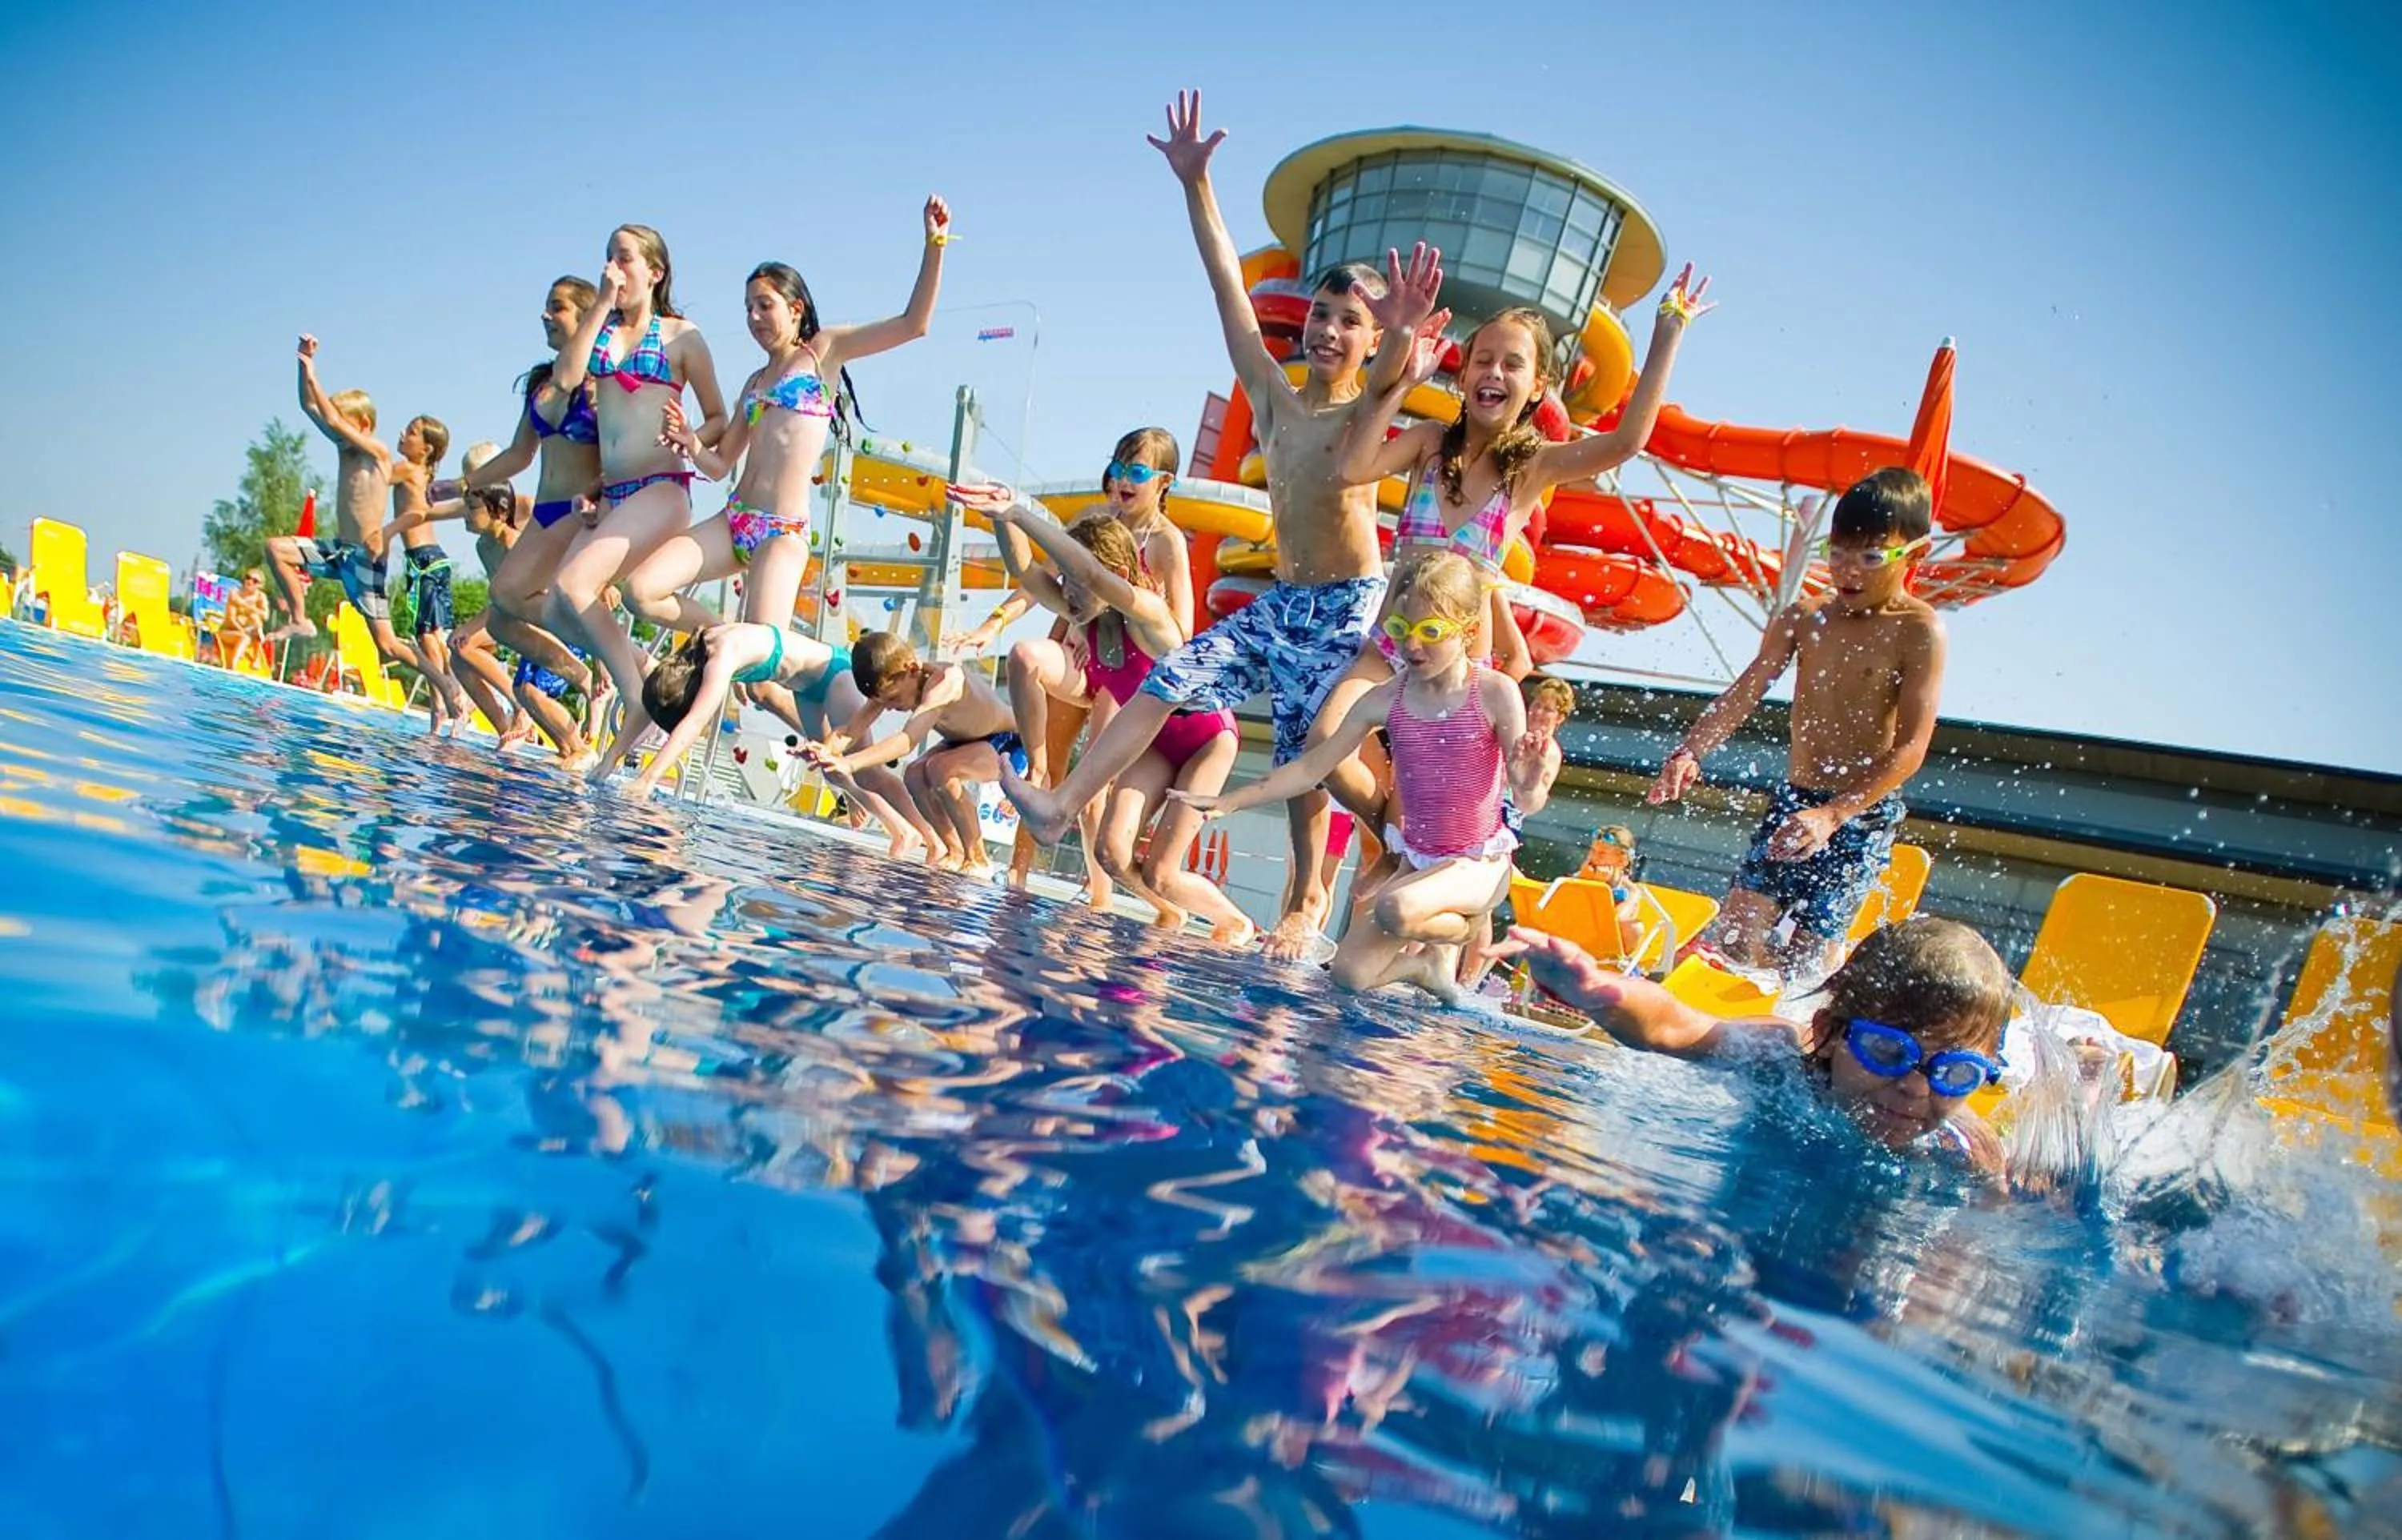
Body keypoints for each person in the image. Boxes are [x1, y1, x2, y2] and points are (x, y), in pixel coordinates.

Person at [1007, 92, 1418, 960]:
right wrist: (1197, 185)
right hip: (1285, 597)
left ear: (1373, 339)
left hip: (1348, 605)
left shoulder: (1366, 415)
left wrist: (1405, 333)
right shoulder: (1271, 398)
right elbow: (1228, 287)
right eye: (1321, 313)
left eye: (1352, 322)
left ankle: (1321, 888)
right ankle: (1059, 804)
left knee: (1316, 749)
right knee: (1172, 671)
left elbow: (1390, 374)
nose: (1330, 330)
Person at [1175, 553, 1552, 1000]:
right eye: (1400, 630)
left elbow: (1528, 802)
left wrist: (1531, 780)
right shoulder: (1386, 698)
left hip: (1479, 864)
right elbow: (1312, 767)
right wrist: (1229, 801)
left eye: (1431, 632)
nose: (1413, 646)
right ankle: (1423, 967)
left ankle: (1457, 933)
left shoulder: (1494, 692)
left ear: (1469, 630)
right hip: (1418, 863)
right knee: (1349, 975)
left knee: (1393, 906)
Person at [1649, 467, 1946, 973]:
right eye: (1837, 553)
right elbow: (1745, 693)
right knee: (1736, 936)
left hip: (1859, 815)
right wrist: (1691, 750)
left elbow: (1911, 749)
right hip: (1795, 799)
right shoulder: (1806, 618)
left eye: (1871, 557)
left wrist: (1834, 815)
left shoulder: (1919, 631)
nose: (1848, 571)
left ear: (1915, 554)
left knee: (1805, 961)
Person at [632, 199, 951, 637]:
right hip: (734, 520)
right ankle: (721, 634)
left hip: (781, 532)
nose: (754, 317)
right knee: (641, 590)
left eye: (765, 305)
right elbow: (721, 463)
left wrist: (935, 245)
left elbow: (914, 324)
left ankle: (823, 673)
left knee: (763, 675)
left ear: (795, 307)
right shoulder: (754, 381)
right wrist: (690, 443)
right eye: (747, 308)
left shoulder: (824, 352)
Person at [1488, 915, 2010, 1172]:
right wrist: (1603, 993)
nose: (1916, 1089)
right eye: (1889, 1052)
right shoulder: (1782, 1059)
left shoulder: (1961, 1148)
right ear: (1829, 1034)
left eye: (1956, 1072)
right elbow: (1678, 1027)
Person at [964, 483, 1252, 941]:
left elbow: (1094, 579)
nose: (1067, 593)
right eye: (1065, 581)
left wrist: (1022, 512)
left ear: (1116, 573)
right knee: (1111, 853)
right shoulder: (1087, 614)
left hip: (1207, 741)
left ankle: (1234, 921)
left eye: (1074, 581)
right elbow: (1026, 569)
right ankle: (1169, 911)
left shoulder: (1151, 616)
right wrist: (1001, 517)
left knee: (1162, 869)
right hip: (1155, 744)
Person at [982, 428, 1197, 900]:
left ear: (1164, 482)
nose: (1121, 480)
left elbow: (1180, 629)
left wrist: (1120, 611)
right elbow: (1032, 575)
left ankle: (1099, 896)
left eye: (1135, 472)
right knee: (1026, 662)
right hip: (1092, 656)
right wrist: (1007, 516)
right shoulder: (1094, 520)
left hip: (1132, 676)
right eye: (1116, 468)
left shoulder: (1165, 543)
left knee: (1093, 792)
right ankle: (1033, 774)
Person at [546, 225, 729, 778]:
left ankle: (637, 699)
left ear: (655, 271)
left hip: (663, 488)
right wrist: (601, 303)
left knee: (573, 587)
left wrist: (690, 436)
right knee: (559, 608)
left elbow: (720, 416)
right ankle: (645, 671)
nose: (613, 268)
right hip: (617, 493)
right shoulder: (601, 328)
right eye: (607, 258)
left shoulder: (681, 337)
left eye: (624, 259)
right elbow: (567, 376)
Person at [630, 624, 936, 858]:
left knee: (870, 772)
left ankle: (928, 837)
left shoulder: (720, 658)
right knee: (831, 769)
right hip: (806, 688)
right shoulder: (704, 645)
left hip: (833, 676)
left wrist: (648, 778)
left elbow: (695, 721)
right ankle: (901, 830)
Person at [461, 275, 611, 710]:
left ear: (585, 318)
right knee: (504, 616)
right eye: (547, 306)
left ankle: (613, 652)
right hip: (546, 512)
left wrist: (603, 500)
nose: (546, 315)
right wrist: (465, 485)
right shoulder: (542, 384)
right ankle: (586, 672)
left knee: (510, 600)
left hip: (578, 512)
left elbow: (621, 457)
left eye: (558, 307)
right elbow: (518, 455)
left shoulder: (603, 383)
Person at [264, 335, 424, 684]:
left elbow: (333, 421)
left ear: (364, 425)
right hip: (338, 551)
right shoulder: (344, 449)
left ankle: (443, 682)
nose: (335, 428)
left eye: (344, 422)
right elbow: (311, 408)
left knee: (387, 646)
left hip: (365, 558)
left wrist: (314, 374)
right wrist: (302, 365)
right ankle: (299, 618)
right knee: (276, 549)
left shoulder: (378, 452)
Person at [801, 633, 1021, 874]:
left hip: (1009, 741)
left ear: (913, 669)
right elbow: (850, 730)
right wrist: (824, 749)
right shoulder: (896, 680)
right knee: (914, 774)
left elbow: (906, 741)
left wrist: (849, 763)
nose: (892, 707)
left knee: (941, 770)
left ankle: (977, 858)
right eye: (884, 701)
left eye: (894, 699)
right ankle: (954, 850)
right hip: (964, 743)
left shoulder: (945, 682)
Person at [385, 410, 475, 735]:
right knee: (435, 637)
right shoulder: (425, 476)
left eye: (410, 432)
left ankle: (444, 702)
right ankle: (456, 699)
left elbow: (377, 473)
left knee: (428, 638)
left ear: (425, 449)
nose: (401, 434)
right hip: (433, 560)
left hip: (423, 560)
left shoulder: (409, 469)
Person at [1576, 824, 1647, 958]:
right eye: (1593, 851)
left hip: (1607, 952)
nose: (1595, 857)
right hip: (1574, 935)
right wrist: (1583, 880)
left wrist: (1605, 889)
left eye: (1602, 853)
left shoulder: (1629, 891)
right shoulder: (1579, 878)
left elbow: (1617, 919)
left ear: (1622, 860)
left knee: (1635, 928)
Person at [222, 570, 271, 672]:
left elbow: (265, 616)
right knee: (245, 637)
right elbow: (230, 619)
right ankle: (232, 667)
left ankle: (256, 656)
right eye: (248, 577)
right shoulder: (235, 594)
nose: (250, 582)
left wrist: (249, 607)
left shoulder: (260, 597)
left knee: (255, 619)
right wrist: (242, 631)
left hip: (249, 633)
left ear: (260, 585)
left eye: (255, 581)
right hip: (229, 631)